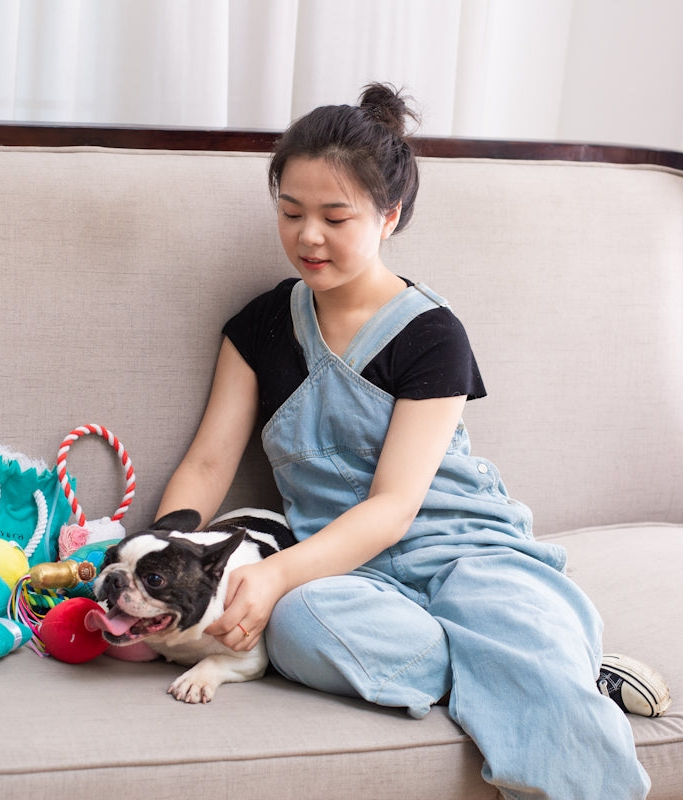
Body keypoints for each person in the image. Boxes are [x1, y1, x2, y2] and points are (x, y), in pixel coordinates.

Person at [154, 82, 653, 799]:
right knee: (295, 625)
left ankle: (538, 657)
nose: (308, 237)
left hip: (463, 550)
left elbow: (393, 508)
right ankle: (537, 665)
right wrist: (160, 552)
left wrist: (273, 572)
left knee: (312, 597)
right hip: (345, 570)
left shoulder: (431, 334)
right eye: (290, 213)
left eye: (335, 217)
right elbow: (207, 463)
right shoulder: (258, 328)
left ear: (388, 217)